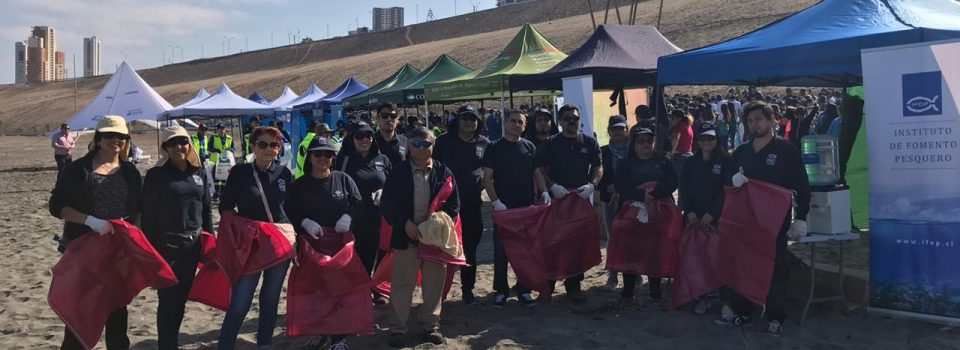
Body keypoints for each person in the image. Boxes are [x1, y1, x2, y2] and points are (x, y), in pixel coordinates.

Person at [48, 115, 142, 350]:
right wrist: (90, 221)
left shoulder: (130, 172)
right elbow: (57, 207)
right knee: (79, 318)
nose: (116, 140)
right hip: (83, 254)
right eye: (110, 135)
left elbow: (138, 210)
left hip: (117, 255)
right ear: (99, 139)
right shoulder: (77, 170)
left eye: (121, 136)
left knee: (118, 318)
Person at [717, 101, 810, 335]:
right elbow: (727, 181)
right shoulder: (741, 151)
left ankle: (776, 316)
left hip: (774, 223)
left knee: (774, 267)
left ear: (771, 120)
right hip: (745, 221)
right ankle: (744, 311)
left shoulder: (786, 151)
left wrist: (801, 217)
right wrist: (733, 181)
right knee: (745, 265)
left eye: (759, 119)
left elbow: (801, 185)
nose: (754, 124)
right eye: (750, 121)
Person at [381, 127, 459, 347]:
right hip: (406, 236)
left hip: (434, 239)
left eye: (427, 144)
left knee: (434, 283)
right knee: (402, 284)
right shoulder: (397, 173)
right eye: (417, 144)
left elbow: (454, 205)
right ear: (409, 146)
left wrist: (438, 222)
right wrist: (404, 223)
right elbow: (388, 204)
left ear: (433, 146)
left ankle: (430, 326)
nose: (422, 149)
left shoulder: (444, 172)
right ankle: (397, 329)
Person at [217, 126, 294, 349]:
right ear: (253, 146)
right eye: (263, 144)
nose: (268, 149)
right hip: (250, 245)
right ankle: (226, 345)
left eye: (274, 145)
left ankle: (264, 344)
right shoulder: (240, 173)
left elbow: (290, 208)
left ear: (279, 149)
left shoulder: (284, 174)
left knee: (270, 300)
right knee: (240, 301)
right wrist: (246, 227)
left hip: (278, 245)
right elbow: (225, 208)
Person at [285, 136, 363, 350]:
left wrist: (348, 217)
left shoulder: (344, 179)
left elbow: (358, 204)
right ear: (309, 156)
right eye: (317, 153)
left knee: (340, 291)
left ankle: (339, 337)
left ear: (333, 158)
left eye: (327, 154)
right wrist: (304, 222)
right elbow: (290, 209)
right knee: (316, 292)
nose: (322, 158)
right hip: (312, 247)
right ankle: (320, 333)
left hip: (340, 249)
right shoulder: (300, 184)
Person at [141, 125, 213, 350]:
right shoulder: (156, 175)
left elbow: (207, 209)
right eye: (172, 143)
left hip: (191, 246)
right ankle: (167, 345)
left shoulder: (199, 172)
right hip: (165, 246)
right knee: (167, 300)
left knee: (181, 299)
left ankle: (171, 341)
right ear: (165, 148)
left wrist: (209, 240)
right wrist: (151, 249)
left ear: (189, 144)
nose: (178, 147)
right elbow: (148, 214)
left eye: (182, 141)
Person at [536, 104, 603, 304]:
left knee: (576, 243)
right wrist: (551, 186)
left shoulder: (590, 142)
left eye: (574, 118)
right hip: (557, 199)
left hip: (579, 199)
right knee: (553, 243)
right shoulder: (550, 143)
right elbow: (539, 167)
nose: (571, 122)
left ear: (579, 120)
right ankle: (547, 287)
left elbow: (599, 166)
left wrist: (592, 185)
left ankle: (573, 286)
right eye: (566, 119)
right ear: (560, 121)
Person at [481, 109, 548, 307]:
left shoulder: (529, 146)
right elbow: (487, 178)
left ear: (525, 125)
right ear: (505, 123)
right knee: (501, 252)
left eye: (520, 122)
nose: (516, 124)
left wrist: (543, 191)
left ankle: (524, 289)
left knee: (526, 251)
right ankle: (501, 291)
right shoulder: (494, 147)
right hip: (504, 209)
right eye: (512, 121)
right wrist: (495, 202)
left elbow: (536, 172)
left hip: (526, 207)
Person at [431, 105, 490, 305]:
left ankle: (468, 289)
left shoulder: (484, 143)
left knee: (470, 248)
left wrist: (484, 183)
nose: (469, 121)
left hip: (473, 203)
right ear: (457, 121)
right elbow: (434, 169)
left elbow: (491, 169)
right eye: (464, 118)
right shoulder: (443, 142)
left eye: (473, 118)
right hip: (447, 206)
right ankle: (439, 291)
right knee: (443, 249)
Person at [613, 127, 678, 307]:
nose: (645, 145)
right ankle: (627, 293)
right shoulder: (626, 163)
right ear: (634, 144)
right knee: (630, 252)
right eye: (641, 141)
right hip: (631, 213)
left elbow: (673, 181)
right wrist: (641, 196)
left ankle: (655, 292)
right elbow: (620, 185)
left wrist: (655, 194)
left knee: (654, 251)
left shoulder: (663, 162)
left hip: (658, 213)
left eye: (649, 141)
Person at [335, 122, 393, 303]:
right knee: (356, 256)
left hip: (379, 217)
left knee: (379, 255)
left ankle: (376, 288)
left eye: (368, 136)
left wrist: (385, 192)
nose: (364, 140)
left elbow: (392, 183)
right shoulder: (343, 159)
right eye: (359, 136)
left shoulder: (382, 159)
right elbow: (335, 184)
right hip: (352, 218)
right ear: (352, 139)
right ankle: (358, 290)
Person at [678, 122, 732, 315]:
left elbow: (726, 190)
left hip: (717, 218)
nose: (707, 141)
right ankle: (701, 295)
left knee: (717, 258)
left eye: (711, 138)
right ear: (698, 140)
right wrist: (690, 211)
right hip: (695, 217)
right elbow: (684, 187)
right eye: (703, 138)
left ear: (717, 139)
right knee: (696, 257)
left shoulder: (726, 160)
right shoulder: (691, 162)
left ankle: (721, 297)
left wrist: (713, 213)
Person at [599, 115, 630, 291]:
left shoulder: (635, 149)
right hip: (609, 200)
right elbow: (597, 173)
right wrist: (606, 186)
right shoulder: (603, 151)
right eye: (614, 129)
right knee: (613, 237)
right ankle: (613, 274)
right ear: (609, 131)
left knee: (631, 236)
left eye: (621, 128)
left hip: (630, 199)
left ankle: (633, 273)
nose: (617, 132)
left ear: (627, 130)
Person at [668, 109, 695, 178]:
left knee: (680, 180)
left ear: (679, 118)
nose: (671, 120)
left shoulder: (679, 126)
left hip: (680, 156)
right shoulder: (688, 125)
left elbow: (676, 138)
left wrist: (671, 153)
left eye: (672, 118)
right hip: (689, 154)